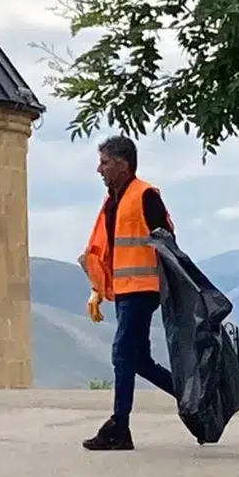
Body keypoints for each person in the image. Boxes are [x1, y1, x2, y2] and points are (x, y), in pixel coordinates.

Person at [77, 134, 177, 451]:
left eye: (105, 163)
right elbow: (108, 251)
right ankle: (195, 396)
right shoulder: (113, 201)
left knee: (122, 353)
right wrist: (97, 289)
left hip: (142, 289)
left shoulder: (144, 195)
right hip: (124, 290)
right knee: (139, 360)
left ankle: (119, 426)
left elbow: (167, 242)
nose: (99, 169)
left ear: (122, 164)